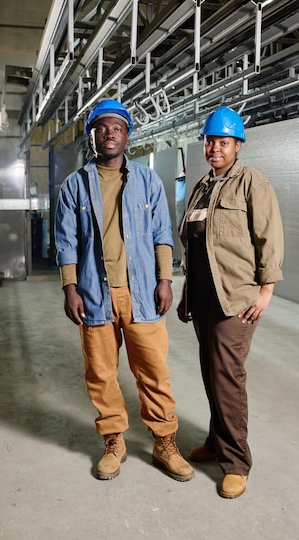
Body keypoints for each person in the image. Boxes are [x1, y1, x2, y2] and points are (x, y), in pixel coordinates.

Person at [55, 98, 194, 483]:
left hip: (142, 292)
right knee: (101, 373)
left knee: (153, 370)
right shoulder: (75, 185)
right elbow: (65, 241)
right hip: (94, 294)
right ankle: (114, 440)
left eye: (117, 127)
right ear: (93, 136)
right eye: (102, 127)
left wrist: (166, 279)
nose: (110, 133)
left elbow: (162, 235)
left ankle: (165, 441)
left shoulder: (148, 180)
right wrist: (70, 287)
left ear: (127, 135)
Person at [177, 105, 284, 499]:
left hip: (235, 300)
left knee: (227, 377)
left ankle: (237, 462)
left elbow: (269, 237)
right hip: (205, 296)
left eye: (223, 142)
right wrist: (188, 291)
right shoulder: (203, 185)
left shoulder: (251, 183)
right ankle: (217, 441)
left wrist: (266, 290)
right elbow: (195, 246)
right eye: (210, 142)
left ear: (237, 145)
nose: (215, 149)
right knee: (210, 371)